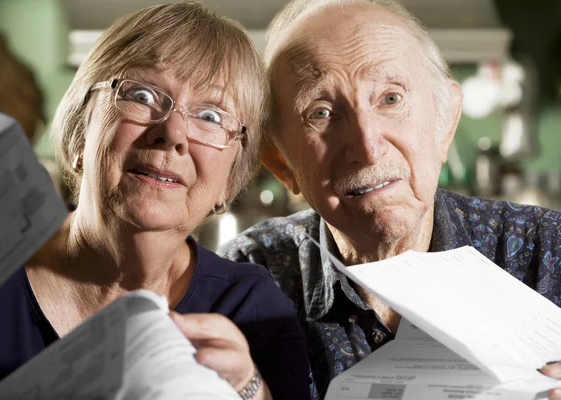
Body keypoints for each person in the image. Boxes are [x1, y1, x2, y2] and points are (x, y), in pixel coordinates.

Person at [0, 3, 310, 400]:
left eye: (211, 117)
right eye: (143, 94)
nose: (173, 132)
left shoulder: (252, 308)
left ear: (228, 182)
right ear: (80, 133)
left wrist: (248, 389)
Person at [217, 0, 561, 399]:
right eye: (322, 113)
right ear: (281, 162)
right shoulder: (243, 278)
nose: (367, 146)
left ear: (445, 121)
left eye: (391, 99)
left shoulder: (549, 248)